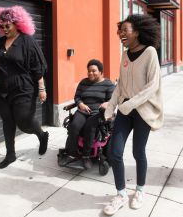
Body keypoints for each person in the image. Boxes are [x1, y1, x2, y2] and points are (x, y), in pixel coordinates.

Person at [103, 14, 163, 215]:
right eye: (120, 31)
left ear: (137, 32)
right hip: (125, 111)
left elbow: (152, 85)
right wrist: (112, 107)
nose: (121, 34)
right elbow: (120, 84)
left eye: (124, 30)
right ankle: (120, 194)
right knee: (114, 152)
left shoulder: (150, 53)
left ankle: (140, 191)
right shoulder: (125, 54)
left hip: (143, 112)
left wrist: (130, 105)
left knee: (138, 152)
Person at [0, 6, 49, 169]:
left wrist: (42, 89)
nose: (4, 29)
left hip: (23, 89)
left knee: (24, 121)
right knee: (8, 122)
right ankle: (10, 154)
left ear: (17, 23)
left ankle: (42, 135)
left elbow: (37, 67)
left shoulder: (27, 41)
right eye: (2, 26)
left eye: (8, 25)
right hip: (1, 91)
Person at [59, 59, 115, 169]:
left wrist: (106, 104)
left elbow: (113, 100)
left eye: (94, 71)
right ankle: (71, 153)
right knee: (74, 125)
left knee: (90, 126)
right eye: (89, 71)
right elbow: (77, 96)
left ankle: (86, 156)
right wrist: (80, 104)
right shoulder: (83, 82)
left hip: (98, 113)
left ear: (101, 72)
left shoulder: (108, 84)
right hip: (83, 111)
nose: (90, 73)